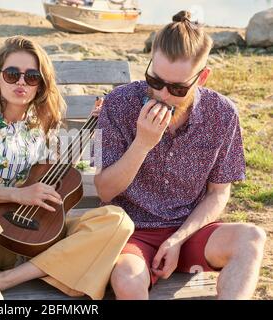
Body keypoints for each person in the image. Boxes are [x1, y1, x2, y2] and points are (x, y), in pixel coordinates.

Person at [94, 10, 266, 300]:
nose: (161, 94)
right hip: (131, 232)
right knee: (126, 279)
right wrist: (142, 144)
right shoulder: (118, 104)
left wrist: (178, 238)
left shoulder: (221, 114)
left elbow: (218, 193)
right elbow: (105, 190)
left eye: (177, 88)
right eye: (155, 80)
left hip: (191, 230)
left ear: (202, 77)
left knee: (252, 238)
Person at [0, 35, 134, 300]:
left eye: (31, 77)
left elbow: (55, 176)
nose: (21, 82)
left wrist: (91, 127)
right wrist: (18, 194)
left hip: (33, 239)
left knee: (117, 221)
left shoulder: (43, 125)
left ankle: (5, 280)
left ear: (40, 85)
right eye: (12, 74)